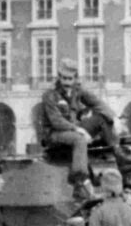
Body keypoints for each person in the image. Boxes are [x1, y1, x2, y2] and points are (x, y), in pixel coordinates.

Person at [40, 58, 120, 194]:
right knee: (79, 139)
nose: (66, 82)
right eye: (63, 78)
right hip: (55, 133)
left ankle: (117, 152)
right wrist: (78, 129)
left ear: (75, 78)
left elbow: (97, 103)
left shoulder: (78, 91)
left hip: (74, 129)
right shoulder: (50, 95)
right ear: (58, 77)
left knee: (102, 118)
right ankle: (79, 179)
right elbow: (56, 121)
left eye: (70, 79)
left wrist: (114, 118)